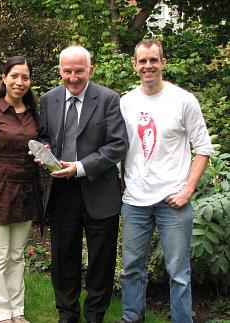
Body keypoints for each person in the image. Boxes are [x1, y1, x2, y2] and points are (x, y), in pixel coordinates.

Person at [116, 39, 214, 323]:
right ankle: (132, 316)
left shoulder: (183, 100)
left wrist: (187, 190)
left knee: (178, 272)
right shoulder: (126, 103)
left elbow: (203, 148)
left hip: (173, 201)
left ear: (163, 63)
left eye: (153, 60)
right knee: (132, 267)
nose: (148, 66)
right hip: (134, 200)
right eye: (142, 61)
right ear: (134, 65)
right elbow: (119, 149)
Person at [37, 45, 128, 323]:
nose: (73, 77)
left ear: (90, 70)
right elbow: (43, 135)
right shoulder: (49, 99)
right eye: (67, 71)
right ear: (60, 70)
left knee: (101, 260)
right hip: (62, 191)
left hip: (99, 189)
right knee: (64, 257)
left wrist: (79, 168)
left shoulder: (109, 99)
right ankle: (67, 314)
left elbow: (117, 145)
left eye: (79, 71)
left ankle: (95, 316)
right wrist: (44, 151)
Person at [0, 56, 42, 323]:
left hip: (25, 193)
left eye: (25, 77)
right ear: (4, 78)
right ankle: (0, 314)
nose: (19, 82)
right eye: (14, 76)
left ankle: (17, 311)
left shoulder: (33, 113)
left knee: (16, 256)